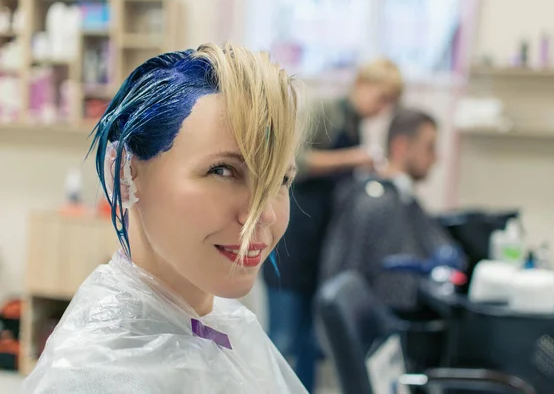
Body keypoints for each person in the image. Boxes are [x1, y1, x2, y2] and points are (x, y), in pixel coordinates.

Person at [21, 43, 307, 394]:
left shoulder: (226, 325)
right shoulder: (89, 377)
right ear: (125, 170)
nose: (265, 214)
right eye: (223, 170)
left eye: (281, 179)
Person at [262, 59, 403, 392]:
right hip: (292, 242)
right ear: (362, 84)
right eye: (381, 98)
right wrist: (354, 157)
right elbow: (296, 161)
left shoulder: (353, 125)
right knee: (283, 341)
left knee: (311, 342)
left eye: (389, 104)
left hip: (320, 248)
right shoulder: (326, 111)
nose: (382, 109)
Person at [319, 109, 460, 315]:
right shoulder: (375, 203)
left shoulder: (401, 197)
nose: (435, 159)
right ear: (401, 147)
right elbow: (346, 283)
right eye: (429, 148)